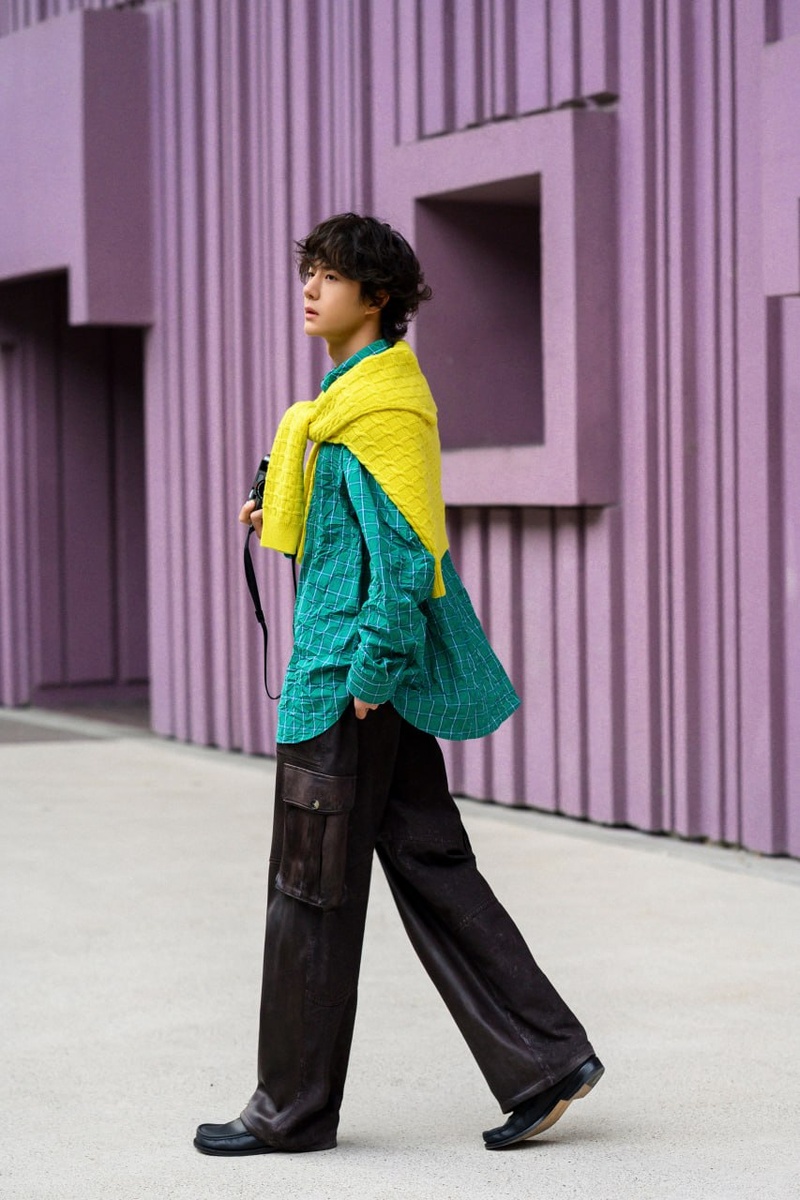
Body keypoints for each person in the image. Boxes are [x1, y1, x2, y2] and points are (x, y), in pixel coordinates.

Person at [194, 213, 603, 1156]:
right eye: (308, 271)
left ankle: (291, 1112)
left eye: (330, 275)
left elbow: (407, 558)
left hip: (347, 687)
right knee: (430, 860)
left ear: (376, 297)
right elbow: (355, 545)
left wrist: (370, 675)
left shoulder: (377, 412)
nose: (310, 288)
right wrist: (281, 511)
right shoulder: (346, 405)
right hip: (368, 687)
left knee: (309, 894)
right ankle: (547, 1060)